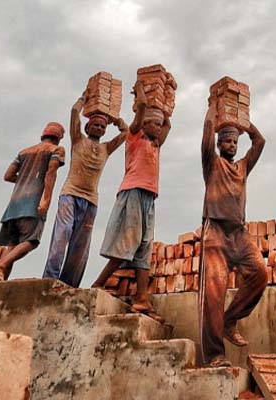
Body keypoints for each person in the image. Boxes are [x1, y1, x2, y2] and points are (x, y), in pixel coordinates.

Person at [91, 82, 170, 323]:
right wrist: (141, 90)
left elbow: (168, 123)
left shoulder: (156, 144)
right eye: (152, 123)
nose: (157, 127)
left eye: (158, 124)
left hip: (149, 196)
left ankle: (141, 298)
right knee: (129, 242)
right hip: (132, 191)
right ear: (143, 123)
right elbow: (143, 107)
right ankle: (98, 284)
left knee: (144, 246)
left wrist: (165, 98)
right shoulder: (134, 137)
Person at [198, 101, 267, 368]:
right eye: (227, 142)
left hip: (238, 232)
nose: (232, 146)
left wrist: (242, 120)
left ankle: (230, 320)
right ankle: (215, 355)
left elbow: (260, 142)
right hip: (214, 231)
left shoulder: (242, 167)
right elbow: (205, 136)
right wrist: (214, 110)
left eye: (235, 143)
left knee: (259, 273)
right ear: (219, 144)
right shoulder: (211, 163)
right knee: (214, 293)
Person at [42, 93, 128, 287]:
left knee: (80, 246)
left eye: (102, 126)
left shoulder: (106, 148)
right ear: (88, 127)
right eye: (95, 125)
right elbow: (74, 112)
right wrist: (84, 99)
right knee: (61, 234)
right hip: (70, 195)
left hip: (91, 201)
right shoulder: (78, 139)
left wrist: (116, 119)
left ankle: (69, 284)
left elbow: (126, 133)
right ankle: (49, 280)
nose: (98, 128)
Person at [0, 123, 66, 281]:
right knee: (31, 241)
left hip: (13, 207)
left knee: (12, 246)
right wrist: (46, 200)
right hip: (32, 204)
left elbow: (8, 176)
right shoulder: (56, 150)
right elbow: (51, 173)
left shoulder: (23, 152)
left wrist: (23, 180)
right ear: (58, 138)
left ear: (43, 135)